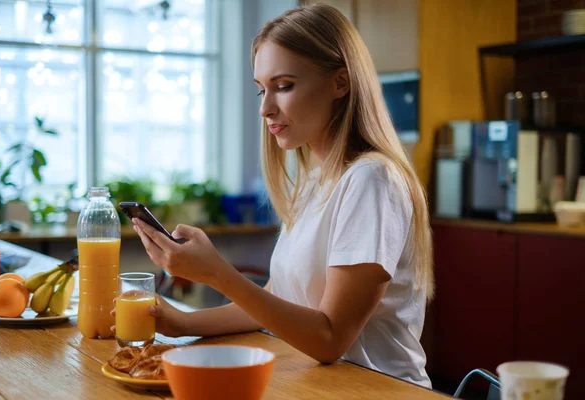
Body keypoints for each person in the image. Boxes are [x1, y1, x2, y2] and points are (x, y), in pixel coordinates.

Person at [113, 4, 434, 388]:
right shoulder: (315, 182)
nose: (265, 108)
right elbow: (276, 300)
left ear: (340, 82)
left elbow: (329, 339)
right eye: (262, 89)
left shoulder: (371, 179)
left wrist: (218, 273)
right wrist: (181, 323)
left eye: (284, 86)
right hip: (319, 386)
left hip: (378, 392)